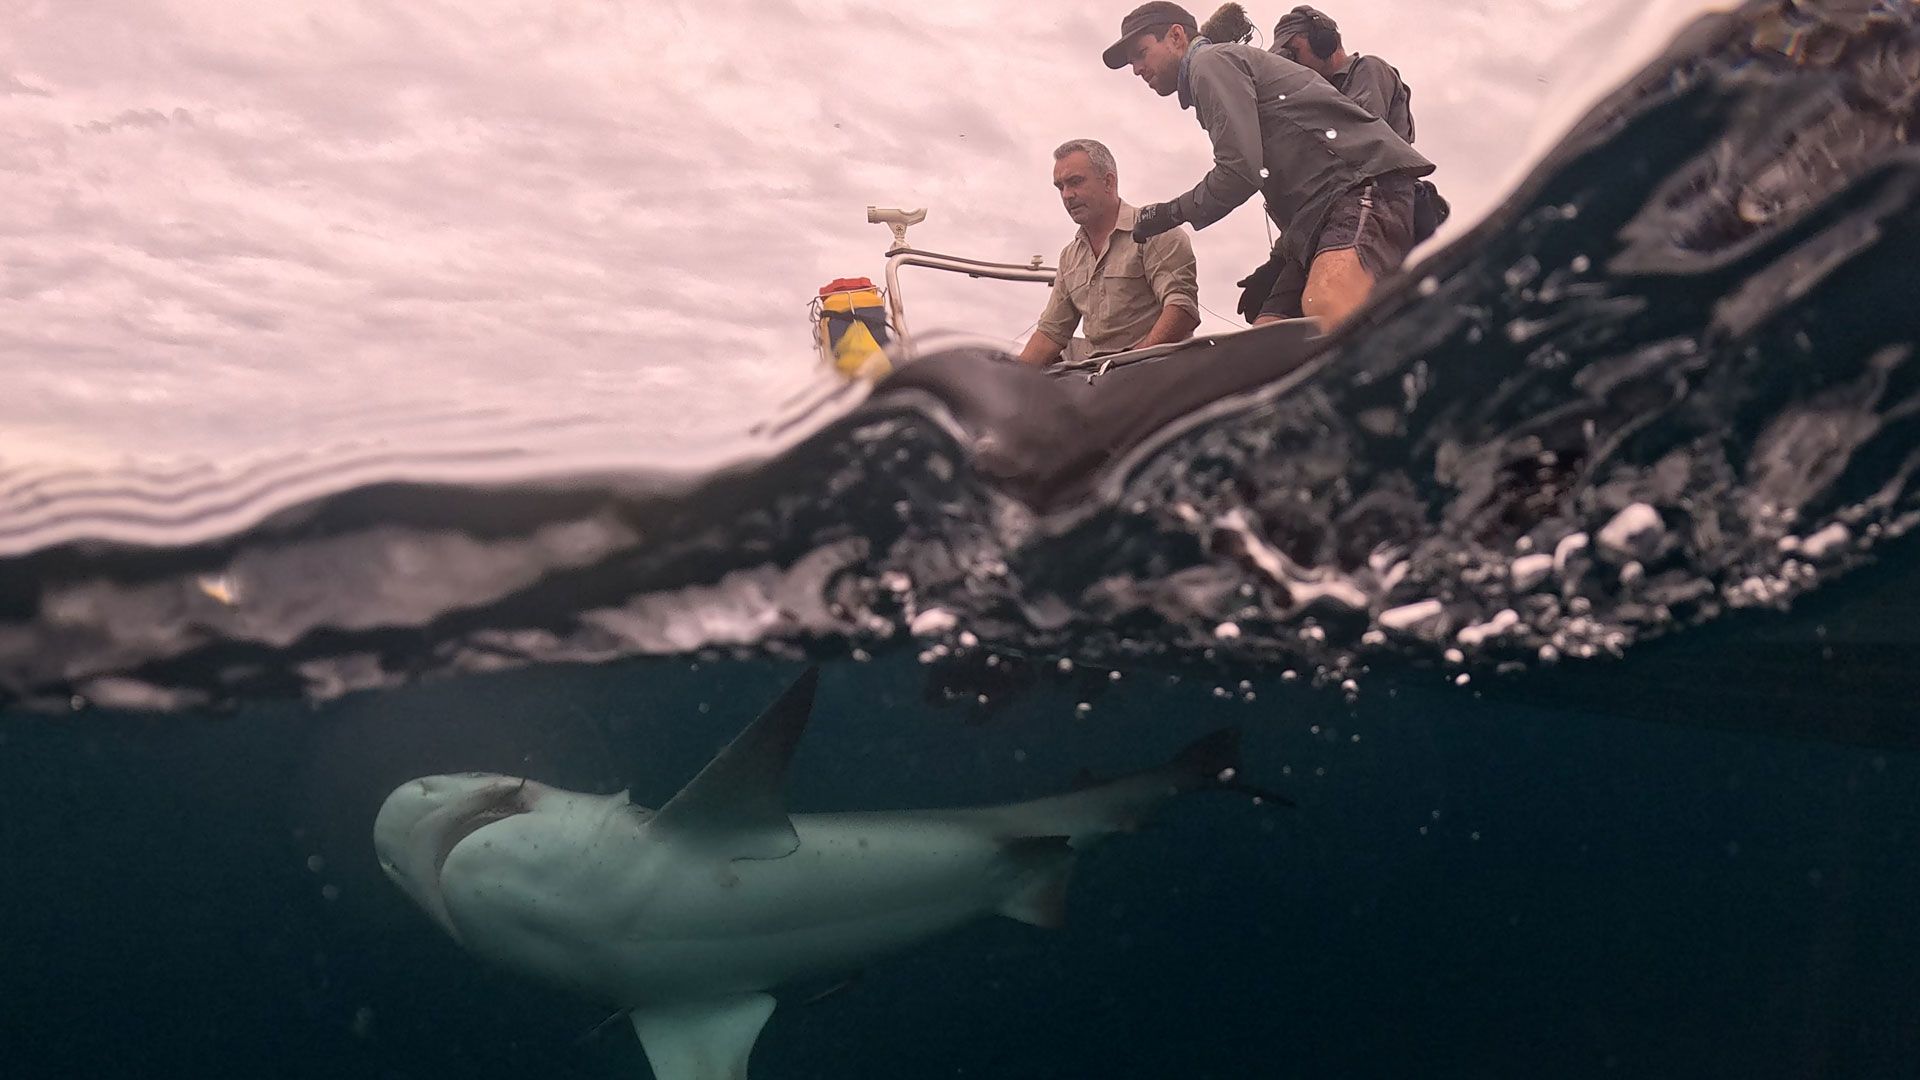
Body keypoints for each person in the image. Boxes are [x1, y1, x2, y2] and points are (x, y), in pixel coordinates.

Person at [1103, 2, 1433, 329]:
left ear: (1176, 37)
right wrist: (1281, 257)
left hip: (1359, 189)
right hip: (1312, 221)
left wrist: (1171, 212)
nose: (1136, 68)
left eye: (1141, 53)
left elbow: (1239, 172)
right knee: (1266, 341)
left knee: (1327, 302)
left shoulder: (1210, 63)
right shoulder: (1215, 68)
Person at [1019, 138, 1201, 367]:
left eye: (1075, 182)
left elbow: (1182, 310)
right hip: (1098, 382)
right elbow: (1050, 334)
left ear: (1108, 181)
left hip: (1159, 376)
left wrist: (1128, 365)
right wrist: (1007, 383)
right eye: (1060, 187)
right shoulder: (1069, 257)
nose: (1067, 195)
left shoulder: (1157, 232)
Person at [1271, 5, 1414, 144]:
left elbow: (1360, 135)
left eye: (1294, 52)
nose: (1292, 63)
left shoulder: (1368, 69)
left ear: (1323, 44)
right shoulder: (1318, 90)